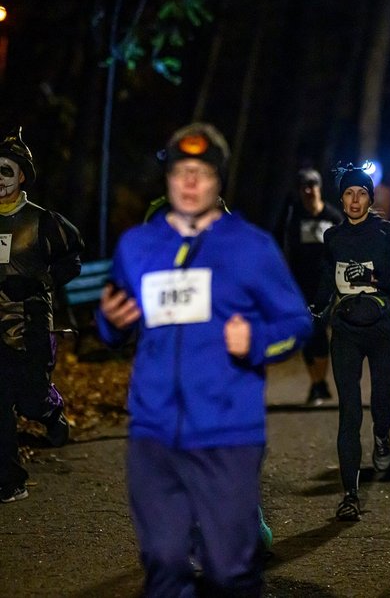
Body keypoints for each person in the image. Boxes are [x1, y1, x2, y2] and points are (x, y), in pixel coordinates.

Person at [96, 122, 312, 595]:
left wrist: (255, 340)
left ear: (218, 181)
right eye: (181, 172)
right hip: (154, 434)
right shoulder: (139, 246)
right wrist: (111, 322)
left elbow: (297, 324)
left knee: (229, 571)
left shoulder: (251, 247)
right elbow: (114, 324)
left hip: (226, 434)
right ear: (169, 179)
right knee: (164, 564)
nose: (191, 182)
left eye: (202, 172)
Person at [310, 163, 390, 521]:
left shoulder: (388, 233)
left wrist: (371, 275)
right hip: (347, 330)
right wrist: (316, 309)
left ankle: (383, 434)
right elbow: (327, 281)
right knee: (349, 412)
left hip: (383, 327)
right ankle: (350, 495)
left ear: (370, 199)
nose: (355, 200)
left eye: (362, 194)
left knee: (380, 403)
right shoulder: (333, 237)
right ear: (341, 199)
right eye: (349, 194)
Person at [0, 127, 83, 503]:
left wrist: (39, 282)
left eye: (5, 170)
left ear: (22, 176)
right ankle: (10, 480)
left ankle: (48, 410)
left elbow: (72, 261)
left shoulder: (43, 221)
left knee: (29, 400)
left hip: (30, 325)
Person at [275, 168, 344, 405]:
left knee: (319, 329)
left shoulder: (333, 218)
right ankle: (317, 382)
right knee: (306, 331)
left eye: (312, 185)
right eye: (303, 187)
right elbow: (286, 249)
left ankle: (319, 382)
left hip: (325, 284)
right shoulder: (294, 219)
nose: (308, 191)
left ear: (319, 187)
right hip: (299, 284)